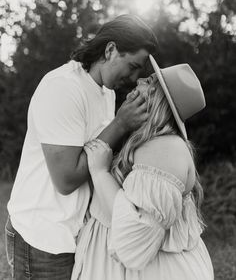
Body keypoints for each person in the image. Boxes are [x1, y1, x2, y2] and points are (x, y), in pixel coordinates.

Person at [5, 14, 158, 279]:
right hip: (42, 235)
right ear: (110, 50)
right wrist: (121, 124)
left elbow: (100, 153)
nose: (134, 77)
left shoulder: (106, 92)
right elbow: (65, 180)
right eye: (133, 66)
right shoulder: (63, 88)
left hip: (74, 233)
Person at [71, 55, 214, 280]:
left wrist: (100, 173)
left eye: (148, 82)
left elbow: (135, 238)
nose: (138, 82)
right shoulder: (148, 142)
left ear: (158, 99)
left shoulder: (164, 148)